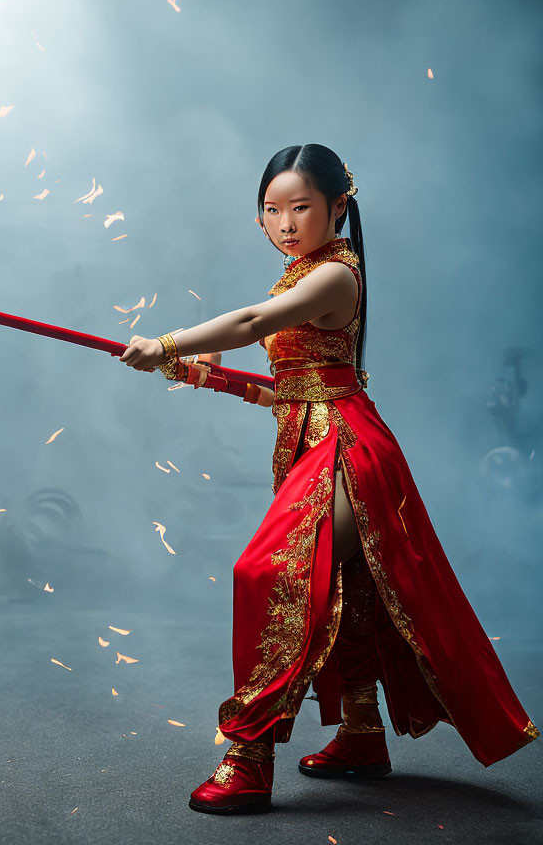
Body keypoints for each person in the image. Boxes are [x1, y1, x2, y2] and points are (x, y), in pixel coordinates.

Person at [118, 144, 538, 815]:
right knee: (349, 585)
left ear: (339, 205)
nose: (284, 223)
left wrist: (167, 343)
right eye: (271, 210)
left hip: (346, 448)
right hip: (311, 443)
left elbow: (254, 324)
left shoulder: (337, 276)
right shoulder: (300, 276)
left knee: (273, 574)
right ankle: (362, 734)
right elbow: (290, 388)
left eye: (301, 207)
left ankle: (249, 758)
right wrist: (199, 374)